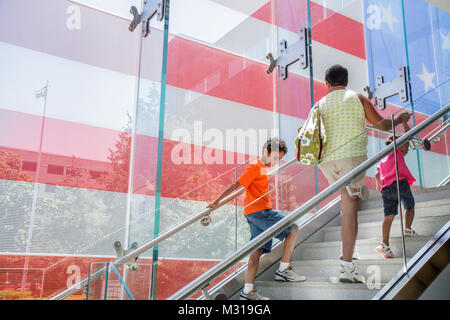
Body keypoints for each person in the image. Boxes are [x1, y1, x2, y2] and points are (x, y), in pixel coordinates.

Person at [317, 65, 411, 283]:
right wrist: (399, 120)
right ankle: (347, 267)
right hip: (351, 160)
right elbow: (382, 124)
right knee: (351, 207)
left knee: (346, 202)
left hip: (327, 162)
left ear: (327, 83)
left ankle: (347, 251)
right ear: (346, 82)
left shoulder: (319, 104)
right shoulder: (357, 98)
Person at [207, 137, 306, 300]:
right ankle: (283, 270)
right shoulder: (255, 167)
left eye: (279, 160)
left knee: (257, 250)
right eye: (274, 158)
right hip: (260, 212)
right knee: (293, 228)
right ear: (266, 152)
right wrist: (217, 202)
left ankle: (247, 291)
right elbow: (236, 185)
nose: (276, 162)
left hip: (253, 213)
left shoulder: (263, 169)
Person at [375, 124, 418, 259]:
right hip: (400, 183)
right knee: (410, 206)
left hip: (386, 188)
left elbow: (377, 175)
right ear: (398, 145)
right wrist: (405, 123)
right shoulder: (396, 151)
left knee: (389, 216)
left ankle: (385, 244)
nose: (406, 150)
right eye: (405, 147)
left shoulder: (383, 160)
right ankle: (408, 229)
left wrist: (382, 186)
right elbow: (409, 135)